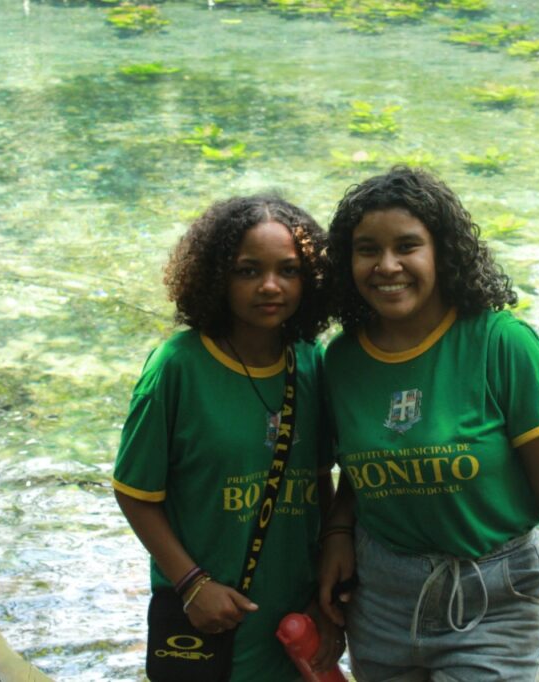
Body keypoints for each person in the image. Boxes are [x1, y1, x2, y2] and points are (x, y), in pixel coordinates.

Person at [317, 167, 539, 682]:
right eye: (368, 249)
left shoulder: (502, 345)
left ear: (442, 252)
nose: (387, 266)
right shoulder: (342, 360)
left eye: (407, 246)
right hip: (380, 600)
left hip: (492, 598)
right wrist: (340, 532)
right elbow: (361, 469)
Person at [113, 195, 344, 681]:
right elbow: (135, 492)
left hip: (292, 618)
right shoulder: (178, 366)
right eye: (247, 271)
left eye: (288, 270)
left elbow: (321, 480)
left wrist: (324, 596)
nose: (270, 286)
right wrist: (192, 584)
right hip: (207, 616)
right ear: (217, 276)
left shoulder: (310, 361)